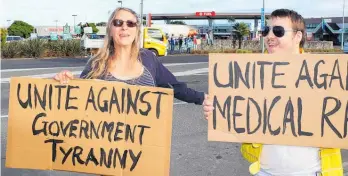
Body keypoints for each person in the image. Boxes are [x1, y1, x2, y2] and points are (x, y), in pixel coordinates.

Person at [203, 9, 343, 176]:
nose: (269, 36)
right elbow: (242, 120)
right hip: (265, 172)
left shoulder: (324, 74)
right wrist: (218, 110)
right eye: (266, 30)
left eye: (278, 31)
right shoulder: (250, 74)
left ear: (297, 37)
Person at [54, 7, 212, 109]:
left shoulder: (149, 59)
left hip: (140, 155)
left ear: (136, 31)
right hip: (103, 154)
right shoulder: (96, 64)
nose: (124, 27)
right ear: (110, 29)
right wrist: (65, 82)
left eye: (130, 23)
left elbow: (176, 88)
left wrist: (203, 98)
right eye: (118, 22)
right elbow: (78, 102)